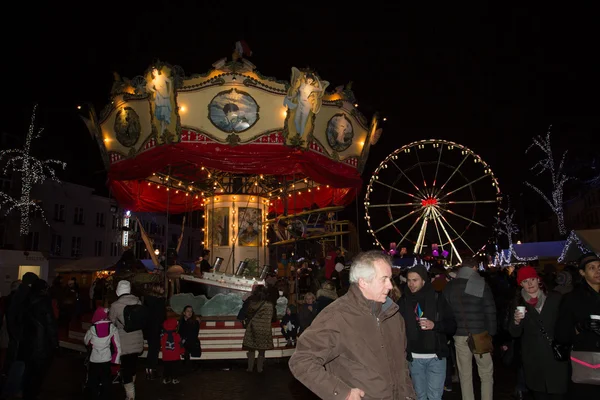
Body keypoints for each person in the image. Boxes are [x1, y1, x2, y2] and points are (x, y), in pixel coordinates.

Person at [289, 250, 416, 400]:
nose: (390, 285)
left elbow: (402, 365)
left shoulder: (393, 315)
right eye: (384, 279)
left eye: (390, 279)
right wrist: (342, 393)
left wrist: (408, 395)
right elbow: (302, 360)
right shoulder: (337, 316)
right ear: (363, 282)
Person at [398, 265, 457, 400]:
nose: (411, 284)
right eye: (409, 280)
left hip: (435, 356)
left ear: (423, 281)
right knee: (420, 396)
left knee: (435, 396)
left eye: (415, 280)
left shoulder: (437, 298)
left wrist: (435, 325)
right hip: (414, 357)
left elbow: (452, 325)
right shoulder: (404, 300)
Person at [509, 266, 568, 400]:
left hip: (555, 355)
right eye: (525, 281)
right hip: (533, 358)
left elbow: (565, 323)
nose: (530, 284)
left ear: (538, 280)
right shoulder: (519, 302)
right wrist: (516, 321)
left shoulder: (555, 298)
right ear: (520, 284)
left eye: (532, 279)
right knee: (539, 393)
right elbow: (514, 333)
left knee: (558, 392)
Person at [443, 258, 496, 400]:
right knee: (485, 373)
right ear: (473, 268)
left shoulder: (450, 286)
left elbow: (445, 313)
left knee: (465, 375)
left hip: (459, 334)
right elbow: (490, 310)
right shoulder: (481, 284)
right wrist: (491, 333)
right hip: (480, 334)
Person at [555, 252, 600, 398]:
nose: (597, 271)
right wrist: (581, 326)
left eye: (599, 267)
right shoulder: (572, 299)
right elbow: (561, 336)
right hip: (586, 363)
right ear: (582, 272)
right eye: (591, 268)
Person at [21, 279, 58, 400]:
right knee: (39, 371)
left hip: (28, 341)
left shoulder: (25, 300)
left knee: (29, 368)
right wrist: (55, 343)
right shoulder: (45, 302)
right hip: (42, 342)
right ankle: (32, 392)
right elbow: (50, 324)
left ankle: (26, 392)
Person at [109, 280, 144, 400]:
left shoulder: (115, 305)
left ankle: (130, 395)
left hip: (124, 341)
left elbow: (111, 322)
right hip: (138, 339)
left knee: (126, 368)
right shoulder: (138, 302)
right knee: (133, 365)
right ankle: (131, 387)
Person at [84, 306, 121, 400]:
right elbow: (117, 346)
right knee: (106, 382)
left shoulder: (92, 328)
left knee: (93, 382)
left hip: (94, 359)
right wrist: (115, 360)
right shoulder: (112, 327)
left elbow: (86, 341)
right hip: (106, 359)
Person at [242, 286, 274, 373]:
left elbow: (247, 314)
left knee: (251, 349)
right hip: (264, 329)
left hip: (252, 328)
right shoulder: (269, 305)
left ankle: (250, 368)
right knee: (262, 350)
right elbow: (273, 318)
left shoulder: (252, 303)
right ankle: (260, 368)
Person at [143, 283, 166, 381]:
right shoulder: (160, 301)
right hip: (156, 328)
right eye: (162, 288)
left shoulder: (147, 301)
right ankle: (152, 369)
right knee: (154, 350)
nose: (163, 290)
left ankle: (149, 369)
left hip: (149, 328)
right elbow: (162, 317)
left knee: (151, 349)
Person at [160, 318, 184, 385]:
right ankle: (174, 379)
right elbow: (180, 345)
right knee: (175, 369)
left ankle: (166, 379)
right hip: (175, 356)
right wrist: (182, 352)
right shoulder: (177, 336)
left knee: (166, 368)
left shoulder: (163, 336)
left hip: (166, 356)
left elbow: (161, 343)